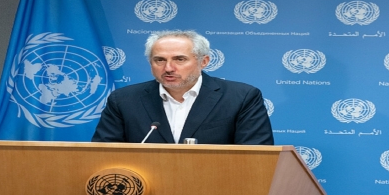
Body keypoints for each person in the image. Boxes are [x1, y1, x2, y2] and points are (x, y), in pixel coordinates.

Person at [92, 30, 273, 145]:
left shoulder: (241, 97)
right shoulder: (124, 100)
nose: (168, 68)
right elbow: (103, 154)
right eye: (159, 60)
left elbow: (256, 157)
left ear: (204, 61)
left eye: (180, 59)